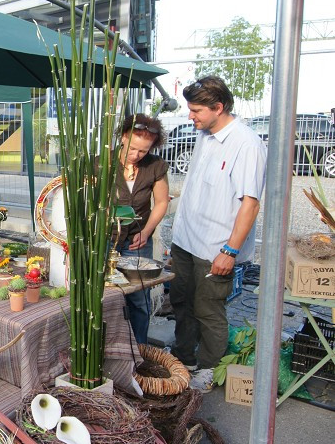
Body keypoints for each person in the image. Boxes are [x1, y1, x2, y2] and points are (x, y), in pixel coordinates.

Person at [170, 76, 266, 391]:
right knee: (181, 301)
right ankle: (183, 358)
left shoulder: (246, 144)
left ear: (218, 107)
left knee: (208, 308)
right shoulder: (205, 135)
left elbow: (250, 204)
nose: (190, 116)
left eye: (196, 110)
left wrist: (230, 251)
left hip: (215, 247)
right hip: (186, 240)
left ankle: (208, 369)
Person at [113, 114, 170, 344]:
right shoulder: (101, 162)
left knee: (139, 297)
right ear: (124, 137)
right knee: (108, 296)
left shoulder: (155, 166)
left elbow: (162, 202)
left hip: (137, 238)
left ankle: (139, 349)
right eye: (133, 148)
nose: (136, 155)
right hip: (105, 240)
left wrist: (146, 232)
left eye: (143, 151)